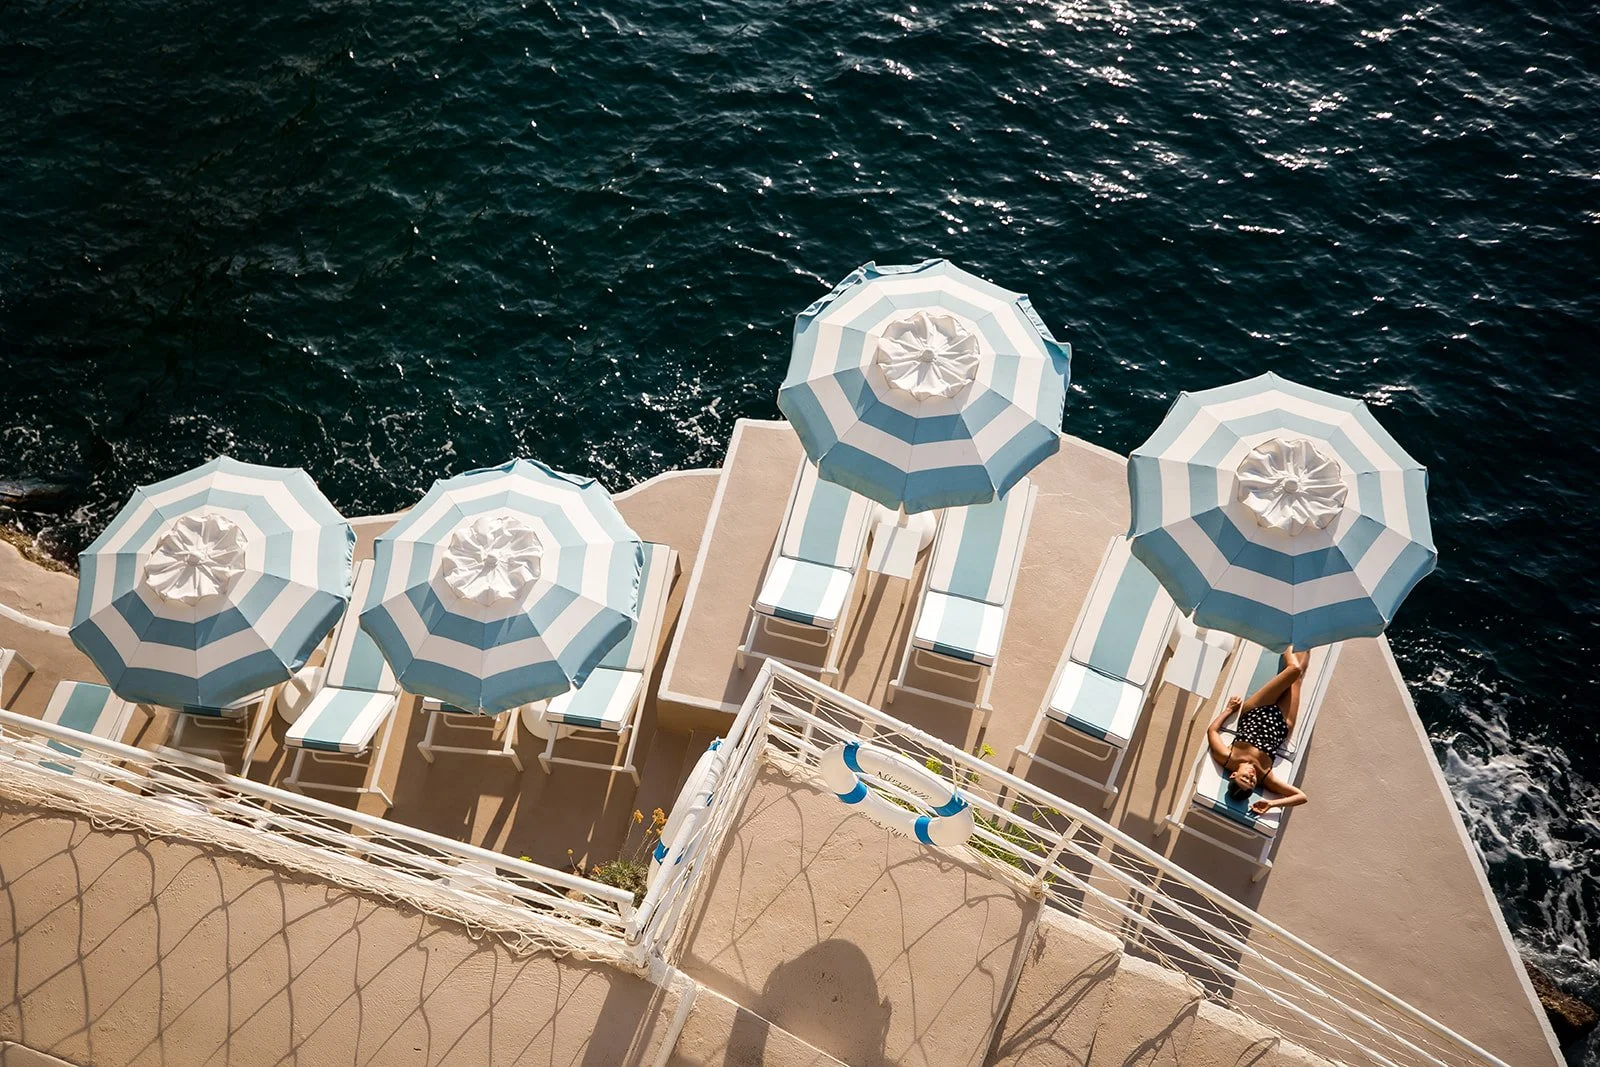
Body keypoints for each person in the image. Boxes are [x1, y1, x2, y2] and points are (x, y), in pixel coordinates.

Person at [1207, 646, 1312, 816]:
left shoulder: (1226, 758)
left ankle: (1290, 641)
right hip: (1282, 724)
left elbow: (1212, 731)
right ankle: (1308, 642)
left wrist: (1229, 710)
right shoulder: (1265, 777)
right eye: (1252, 782)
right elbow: (1301, 796)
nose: (1251, 776)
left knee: (1293, 670)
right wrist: (1271, 803)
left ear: (1234, 775)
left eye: (1245, 778)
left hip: (1255, 711)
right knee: (1298, 677)